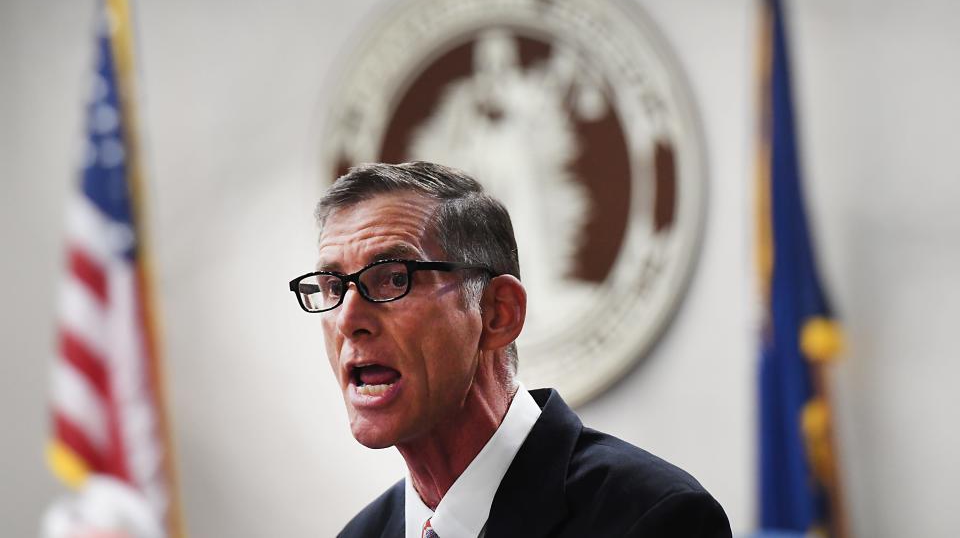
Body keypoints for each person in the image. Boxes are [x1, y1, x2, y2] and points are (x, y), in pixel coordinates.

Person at [289, 161, 731, 538]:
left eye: (392, 277)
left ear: (498, 313)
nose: (348, 320)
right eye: (332, 286)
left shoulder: (654, 518)